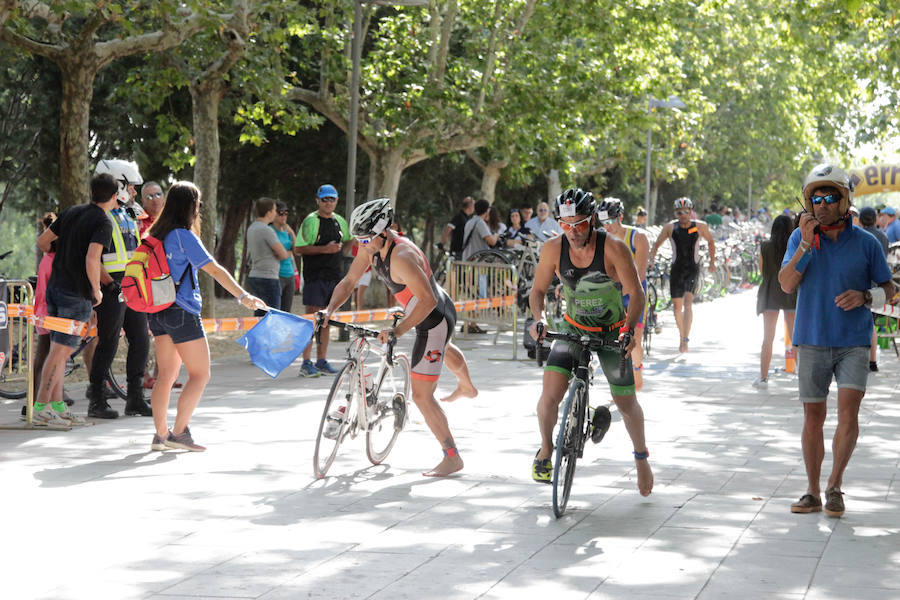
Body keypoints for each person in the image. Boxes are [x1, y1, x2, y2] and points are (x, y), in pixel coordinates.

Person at [320, 198, 478, 476]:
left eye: (366, 238)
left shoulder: (402, 257)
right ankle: (466, 385)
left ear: (383, 231)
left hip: (434, 318)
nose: (362, 244)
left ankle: (452, 456)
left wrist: (398, 330)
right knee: (444, 348)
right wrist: (328, 309)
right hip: (431, 308)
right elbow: (349, 281)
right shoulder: (372, 246)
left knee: (421, 396)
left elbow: (427, 301)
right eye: (358, 239)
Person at [778, 164, 894, 518]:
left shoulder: (867, 243)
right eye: (816, 198)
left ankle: (834, 486)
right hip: (811, 339)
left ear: (844, 200)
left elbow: (890, 289)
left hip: (853, 342)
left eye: (830, 197)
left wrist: (865, 296)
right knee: (813, 417)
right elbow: (785, 283)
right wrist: (805, 247)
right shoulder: (799, 239)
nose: (822, 204)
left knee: (849, 415)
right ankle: (812, 491)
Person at [528, 188, 652, 495]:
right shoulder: (553, 249)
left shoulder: (614, 248)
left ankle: (642, 459)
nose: (572, 231)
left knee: (626, 402)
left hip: (612, 331)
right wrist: (539, 318)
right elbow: (538, 291)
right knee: (549, 395)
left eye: (579, 223)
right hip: (573, 329)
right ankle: (546, 449)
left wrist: (629, 331)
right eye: (565, 223)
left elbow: (637, 294)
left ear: (592, 219)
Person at [147, 181, 266, 452]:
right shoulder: (183, 235)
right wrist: (242, 296)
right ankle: (178, 434)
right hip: (182, 311)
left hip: (157, 311)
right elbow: (214, 269)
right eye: (197, 204)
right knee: (201, 374)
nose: (199, 208)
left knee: (165, 376)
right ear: (189, 206)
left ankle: (160, 435)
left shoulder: (155, 233)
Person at [32, 173, 118, 426]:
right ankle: (41, 408)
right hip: (76, 293)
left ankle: (57, 406)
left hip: (55, 288)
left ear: (91, 192)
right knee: (60, 353)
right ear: (114, 196)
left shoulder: (71, 212)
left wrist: (63, 258)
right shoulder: (103, 221)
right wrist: (96, 290)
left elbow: (43, 242)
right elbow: (93, 259)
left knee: (60, 350)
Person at [87, 159, 152, 419]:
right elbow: (92, 256)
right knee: (109, 341)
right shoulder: (98, 215)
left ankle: (135, 398)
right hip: (112, 285)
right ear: (119, 183)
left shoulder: (127, 213)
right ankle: (97, 398)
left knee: (140, 339)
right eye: (132, 187)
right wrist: (108, 284)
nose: (135, 192)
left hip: (132, 283)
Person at [294, 184, 352, 377]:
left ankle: (321, 360)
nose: (328, 203)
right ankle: (306, 362)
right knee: (311, 319)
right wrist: (324, 250)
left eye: (332, 199)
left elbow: (351, 239)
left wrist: (342, 252)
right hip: (314, 277)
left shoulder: (340, 221)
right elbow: (299, 248)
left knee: (327, 319)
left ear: (337, 201)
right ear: (317, 200)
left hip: (334, 277)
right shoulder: (311, 221)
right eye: (324, 199)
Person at [648, 197, 716, 353]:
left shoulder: (700, 226)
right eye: (680, 212)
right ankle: (682, 335)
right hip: (677, 269)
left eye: (686, 211)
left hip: (692, 268)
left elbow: (711, 242)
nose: (683, 215)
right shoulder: (670, 228)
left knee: (688, 304)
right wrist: (651, 260)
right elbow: (656, 245)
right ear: (675, 213)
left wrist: (712, 262)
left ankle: (685, 339)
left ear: (691, 212)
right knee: (677, 308)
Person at [598, 197, 650, 391]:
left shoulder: (638, 237)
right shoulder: (601, 238)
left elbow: (641, 272)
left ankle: (637, 369)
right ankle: (619, 376)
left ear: (620, 217)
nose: (607, 226)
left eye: (611, 221)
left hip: (633, 292)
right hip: (612, 292)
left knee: (633, 335)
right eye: (603, 222)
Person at [754, 215, 797, 387]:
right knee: (795, 337)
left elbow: (762, 271)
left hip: (770, 292)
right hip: (790, 291)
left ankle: (763, 377)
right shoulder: (793, 246)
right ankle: (802, 377)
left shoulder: (765, 247)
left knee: (768, 338)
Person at [246, 197, 292, 316]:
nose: (276, 213)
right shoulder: (266, 230)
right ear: (268, 213)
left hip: (254, 275)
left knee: (259, 315)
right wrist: (290, 252)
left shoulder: (251, 228)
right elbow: (282, 254)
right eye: (275, 210)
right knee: (272, 316)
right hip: (269, 277)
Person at [859, 206, 890, 371]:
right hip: (878, 286)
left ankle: (864, 359)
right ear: (875, 219)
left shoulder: (858, 237)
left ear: (861, 220)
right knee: (871, 324)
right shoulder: (883, 237)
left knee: (863, 323)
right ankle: (872, 360)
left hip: (861, 285)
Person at [270, 200, 298, 314]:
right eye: (281, 213)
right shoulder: (270, 231)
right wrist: (288, 252)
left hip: (289, 274)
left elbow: (296, 249)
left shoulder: (286, 231)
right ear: (274, 214)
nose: (284, 216)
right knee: (276, 310)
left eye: (286, 213)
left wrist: (291, 232)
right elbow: (279, 254)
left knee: (287, 311)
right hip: (277, 274)